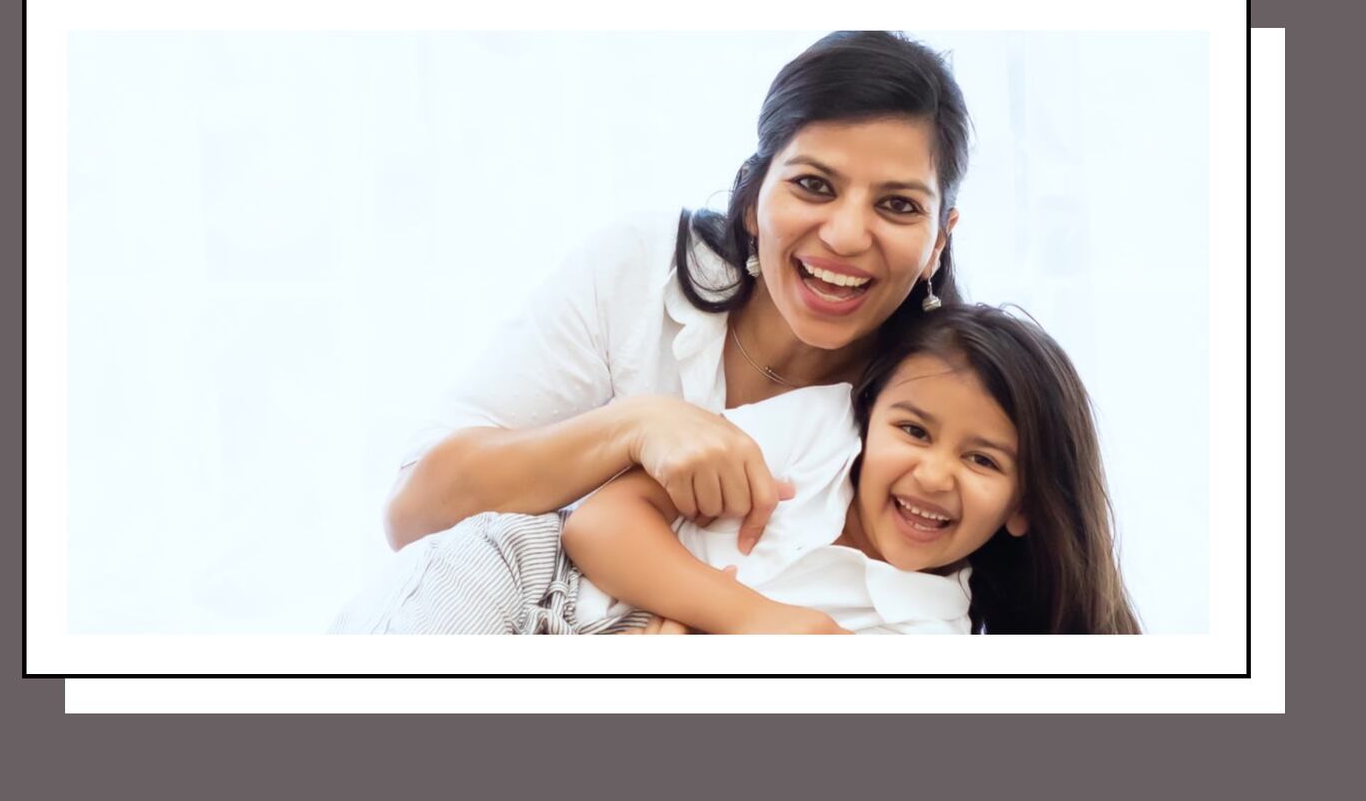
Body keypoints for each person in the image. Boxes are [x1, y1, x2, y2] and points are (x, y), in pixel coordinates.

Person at [383, 31, 974, 555]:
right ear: (752, 200)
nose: (845, 236)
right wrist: (634, 426)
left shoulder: (955, 402)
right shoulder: (637, 270)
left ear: (938, 241)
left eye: (898, 205)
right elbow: (414, 514)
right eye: (813, 185)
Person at [332, 305, 1141, 635]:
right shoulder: (823, 432)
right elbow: (599, 522)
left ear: (1024, 506)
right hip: (534, 579)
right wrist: (755, 622)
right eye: (913, 429)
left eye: (981, 459)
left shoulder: (928, 639)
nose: (933, 473)